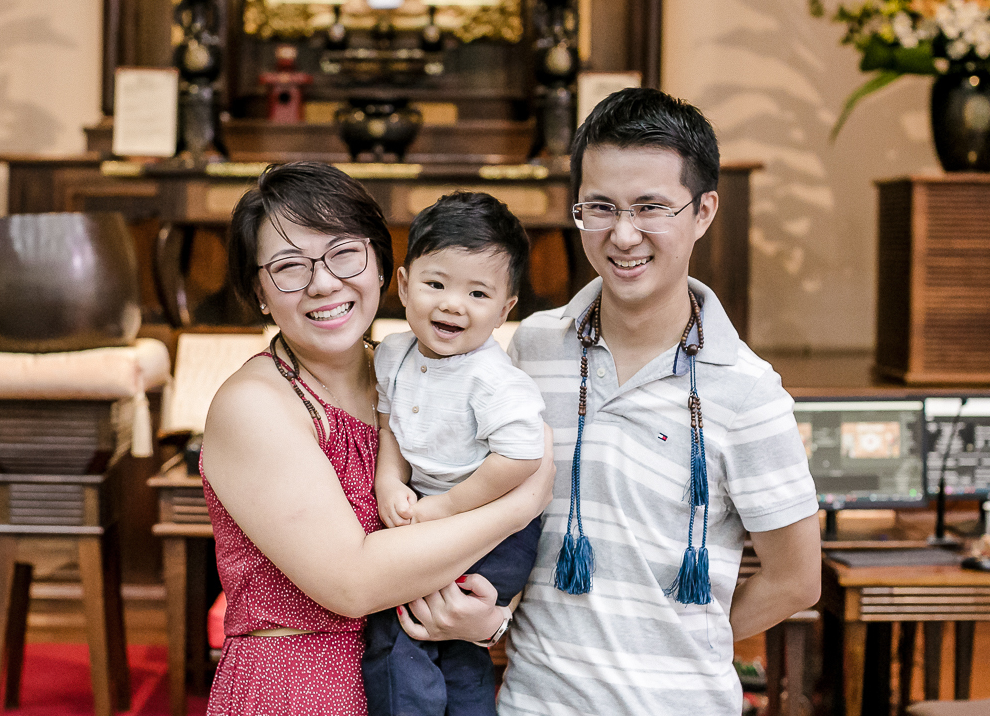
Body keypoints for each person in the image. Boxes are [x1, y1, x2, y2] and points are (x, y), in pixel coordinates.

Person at [396, 89, 823, 715]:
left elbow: (795, 578)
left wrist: (679, 648)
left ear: (703, 211)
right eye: (600, 208)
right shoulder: (527, 349)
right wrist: (491, 620)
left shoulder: (748, 391)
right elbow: (509, 527)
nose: (623, 235)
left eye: (651, 207)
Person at [200, 162, 554, 716]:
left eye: (344, 254)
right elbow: (353, 584)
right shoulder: (255, 405)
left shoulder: (417, 374)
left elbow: (469, 568)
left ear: (384, 267)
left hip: (421, 671)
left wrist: (487, 623)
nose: (323, 283)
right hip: (300, 691)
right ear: (260, 293)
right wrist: (524, 504)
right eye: (289, 266)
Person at [363, 192, 546, 716]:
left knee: (409, 629)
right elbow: (388, 422)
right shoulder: (393, 352)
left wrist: (445, 509)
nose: (451, 304)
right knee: (444, 647)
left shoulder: (495, 381)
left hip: (496, 522)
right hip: (427, 505)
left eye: (477, 292)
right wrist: (389, 482)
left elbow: (520, 459)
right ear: (402, 285)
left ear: (506, 308)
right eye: (435, 283)